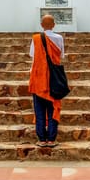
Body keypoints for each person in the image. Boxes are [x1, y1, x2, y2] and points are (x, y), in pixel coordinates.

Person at [28, 14, 64, 147]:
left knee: (39, 110)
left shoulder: (36, 38)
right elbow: (61, 55)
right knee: (53, 107)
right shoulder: (59, 38)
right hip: (54, 80)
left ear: (42, 25)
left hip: (39, 79)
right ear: (54, 25)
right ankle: (51, 139)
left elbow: (33, 57)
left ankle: (42, 139)